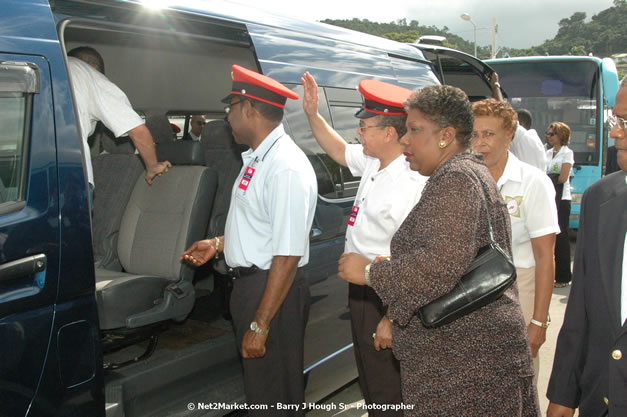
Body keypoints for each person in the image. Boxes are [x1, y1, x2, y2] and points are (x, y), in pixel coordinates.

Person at [338, 85, 540, 416]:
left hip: (466, 367)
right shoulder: (461, 173)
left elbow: (435, 269)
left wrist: (369, 272)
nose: (405, 139)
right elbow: (453, 256)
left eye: (414, 130)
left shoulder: (457, 180)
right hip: (465, 360)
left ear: (445, 136)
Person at [182, 65, 317, 416]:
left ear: (250, 110)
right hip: (254, 286)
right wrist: (219, 243)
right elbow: (262, 226)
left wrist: (260, 325)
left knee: (275, 398)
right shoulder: (259, 158)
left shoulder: (284, 166)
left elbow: (287, 254)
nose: (227, 118)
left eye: (231, 109)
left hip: (273, 290)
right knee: (262, 391)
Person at [302, 73, 426, 414]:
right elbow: (338, 150)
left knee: (391, 387)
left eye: (366, 127)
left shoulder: (411, 180)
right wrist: (313, 115)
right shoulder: (373, 161)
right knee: (370, 379)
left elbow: (414, 257)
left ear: (389, 133)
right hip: (361, 290)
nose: (359, 133)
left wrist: (391, 317)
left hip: (388, 294)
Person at [546, 78, 627, 417]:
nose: (614, 134)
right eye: (615, 121)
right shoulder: (601, 199)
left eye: (625, 122)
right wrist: (564, 395)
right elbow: (580, 309)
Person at [471, 98, 559, 381]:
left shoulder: (533, 182)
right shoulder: (463, 180)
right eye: (473, 134)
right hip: (470, 294)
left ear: (509, 135)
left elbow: (546, 256)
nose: (480, 143)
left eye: (489, 134)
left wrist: (538, 321)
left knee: (517, 385)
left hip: (519, 289)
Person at [67, 46, 170, 190]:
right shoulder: (87, 73)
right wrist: (153, 166)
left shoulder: (52, 68)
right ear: (93, 67)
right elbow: (137, 129)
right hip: (70, 174)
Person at [544, 122, 574, 288]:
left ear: (560, 135)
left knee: (561, 235)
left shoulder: (567, 153)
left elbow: (563, 177)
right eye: (547, 133)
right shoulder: (547, 153)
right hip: (550, 196)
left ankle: (563, 276)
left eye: (552, 134)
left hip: (562, 198)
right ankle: (553, 274)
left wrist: (549, 178)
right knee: (551, 235)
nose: (548, 136)